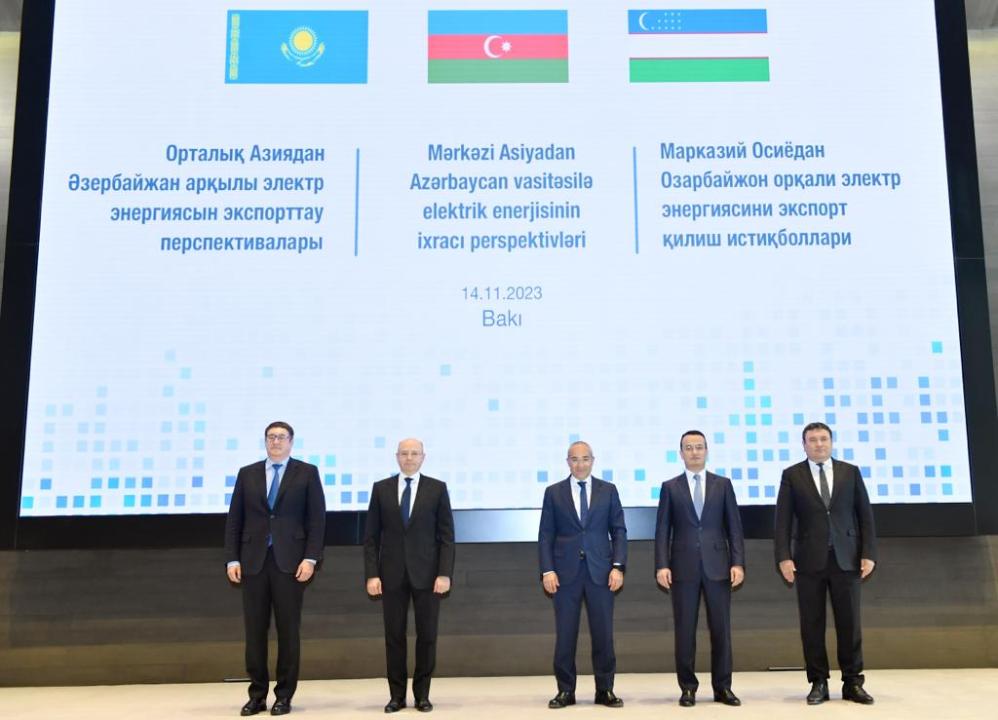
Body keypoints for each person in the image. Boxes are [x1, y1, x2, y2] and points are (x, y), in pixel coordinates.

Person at [224, 421, 326, 716]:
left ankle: (284, 695)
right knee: (255, 631)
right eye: (271, 437)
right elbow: (234, 519)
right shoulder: (248, 473)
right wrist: (232, 558)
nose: (276, 441)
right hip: (253, 562)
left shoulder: (307, 473)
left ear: (291, 441)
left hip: (291, 563)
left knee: (288, 631)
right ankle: (257, 695)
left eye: (281, 437)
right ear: (265, 441)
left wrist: (311, 558)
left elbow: (317, 519)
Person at [774, 422, 877, 705]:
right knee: (812, 624)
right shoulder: (792, 475)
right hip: (808, 560)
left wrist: (869, 553)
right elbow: (782, 521)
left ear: (831, 442)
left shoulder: (850, 472)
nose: (818, 444)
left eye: (823, 439)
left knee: (850, 623)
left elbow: (865, 515)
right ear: (804, 444)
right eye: (812, 440)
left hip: (847, 558)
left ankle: (853, 682)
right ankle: (818, 682)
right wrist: (784, 557)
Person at [364, 438, 455, 713]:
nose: (409, 457)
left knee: (427, 636)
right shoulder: (381, 489)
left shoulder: (437, 489)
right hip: (390, 575)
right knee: (394, 637)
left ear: (423, 457)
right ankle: (397, 696)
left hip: (428, 576)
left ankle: (422, 695)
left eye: (415, 453)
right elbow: (371, 538)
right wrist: (372, 574)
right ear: (397, 457)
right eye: (404, 453)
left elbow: (446, 537)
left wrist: (444, 573)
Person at [655, 430, 745, 707]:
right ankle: (688, 688)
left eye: (699, 447)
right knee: (685, 631)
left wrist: (738, 562)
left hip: (718, 567)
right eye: (688, 447)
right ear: (681, 453)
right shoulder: (670, 487)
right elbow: (662, 530)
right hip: (683, 569)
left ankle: (723, 687)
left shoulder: (723, 484)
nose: (694, 452)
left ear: (706, 451)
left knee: (721, 630)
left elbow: (734, 527)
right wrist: (662, 565)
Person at [538, 441, 628, 709]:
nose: (580, 464)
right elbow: (545, 535)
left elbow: (619, 531)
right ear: (568, 462)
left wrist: (618, 566)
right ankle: (566, 690)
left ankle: (605, 690)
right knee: (565, 635)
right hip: (564, 574)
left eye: (585, 459)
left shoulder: (608, 490)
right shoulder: (553, 492)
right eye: (575, 459)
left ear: (593, 460)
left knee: (603, 634)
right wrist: (547, 569)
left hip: (602, 572)